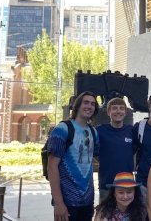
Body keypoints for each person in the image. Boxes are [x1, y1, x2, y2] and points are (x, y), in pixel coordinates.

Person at [47, 91, 99, 221]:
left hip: (87, 201)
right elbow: (52, 167)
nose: (89, 106)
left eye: (93, 104)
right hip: (67, 200)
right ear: (77, 105)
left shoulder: (93, 132)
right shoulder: (62, 129)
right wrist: (59, 203)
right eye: (85, 102)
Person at [97, 98, 134, 202]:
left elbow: (134, 150)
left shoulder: (131, 131)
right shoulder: (100, 131)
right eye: (114, 108)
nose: (118, 111)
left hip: (127, 184)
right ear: (108, 112)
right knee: (104, 216)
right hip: (107, 184)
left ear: (125, 112)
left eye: (121, 108)